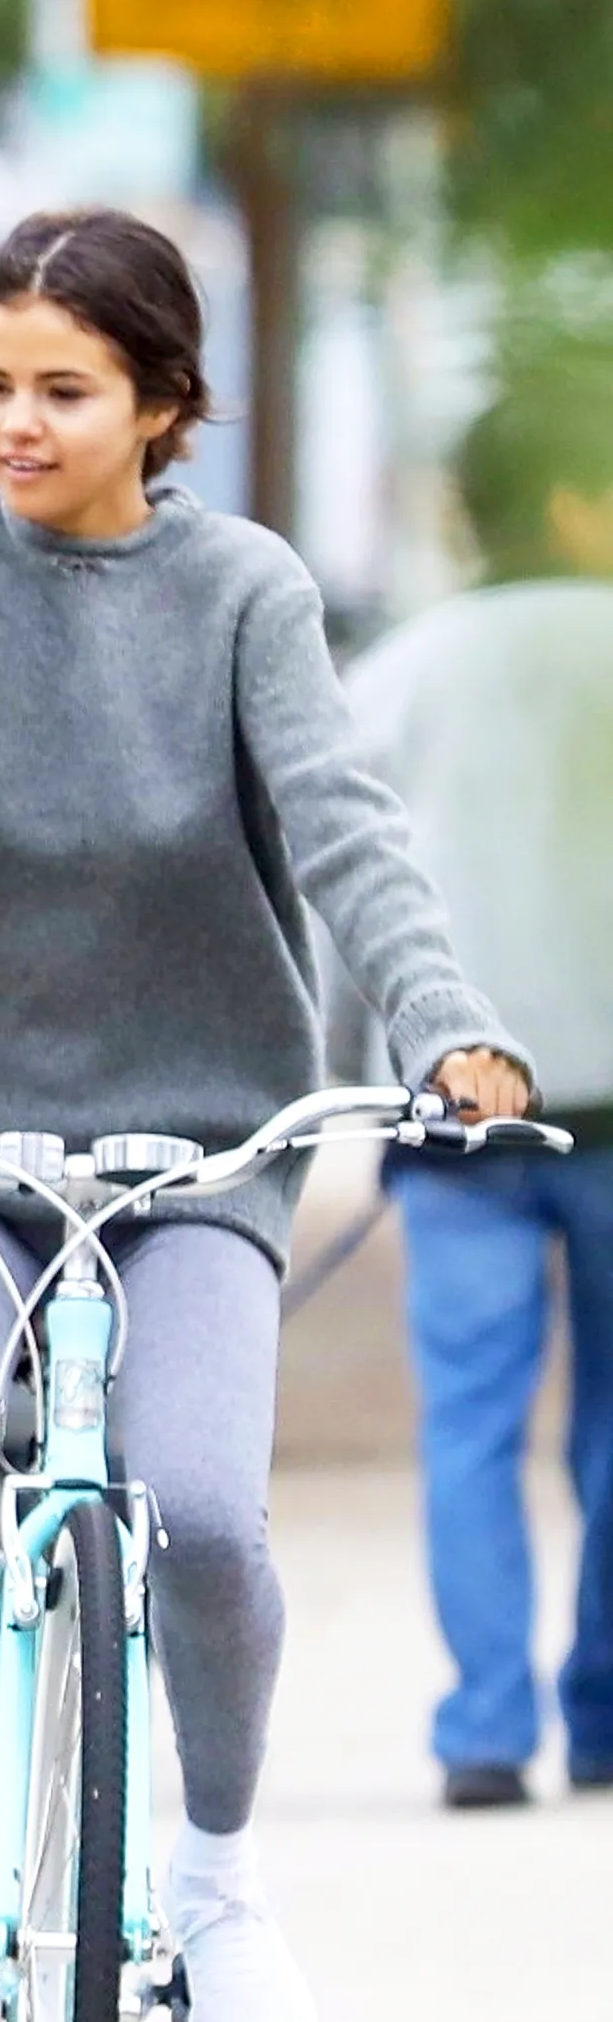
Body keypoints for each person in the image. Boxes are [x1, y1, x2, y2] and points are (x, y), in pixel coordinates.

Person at [0, 205, 533, 2022]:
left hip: (195, 1148)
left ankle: (221, 1880)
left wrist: (442, 1022)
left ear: (163, 403)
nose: (16, 423)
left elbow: (345, 826)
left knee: (209, 1510)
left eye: (63, 391)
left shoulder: (244, 593)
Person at [341, 341, 613, 1809]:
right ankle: (607, 1717)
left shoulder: (404, 672)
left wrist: (346, 1072)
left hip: (459, 1120)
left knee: (470, 1423)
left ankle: (485, 1730)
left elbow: (335, 883)